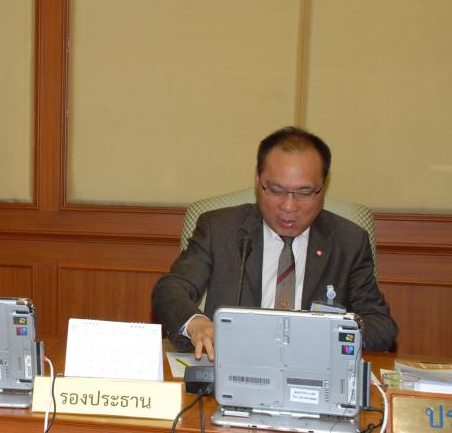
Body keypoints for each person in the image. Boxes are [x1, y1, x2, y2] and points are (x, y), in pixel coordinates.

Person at [152, 126, 397, 360]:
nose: (289, 206)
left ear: (323, 187)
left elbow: (381, 325)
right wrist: (196, 323)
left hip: (312, 369)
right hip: (234, 365)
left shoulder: (348, 241)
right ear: (258, 180)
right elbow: (170, 289)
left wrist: (326, 337)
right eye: (277, 190)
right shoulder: (219, 229)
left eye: (304, 193)